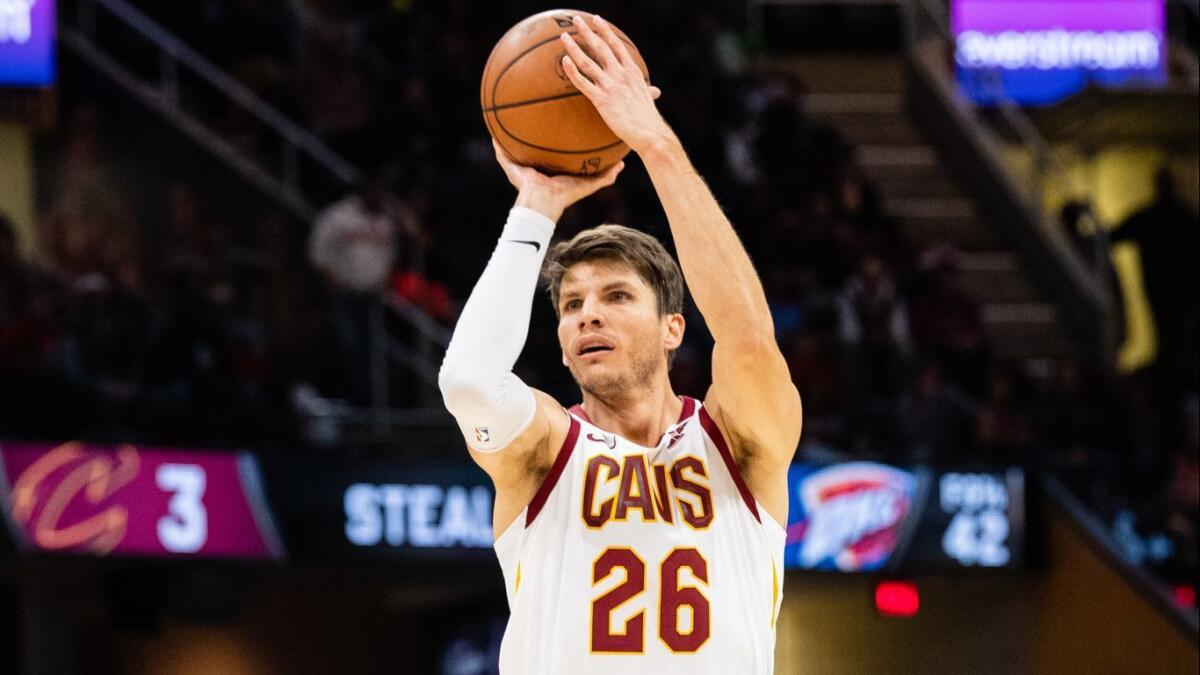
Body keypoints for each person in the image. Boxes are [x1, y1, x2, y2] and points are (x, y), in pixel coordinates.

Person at [438, 15, 801, 674]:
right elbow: (467, 379)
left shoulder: (738, 442)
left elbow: (748, 340)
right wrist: (537, 208)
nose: (586, 316)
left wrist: (655, 144)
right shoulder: (544, 451)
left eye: (616, 297)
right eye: (572, 304)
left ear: (674, 328)